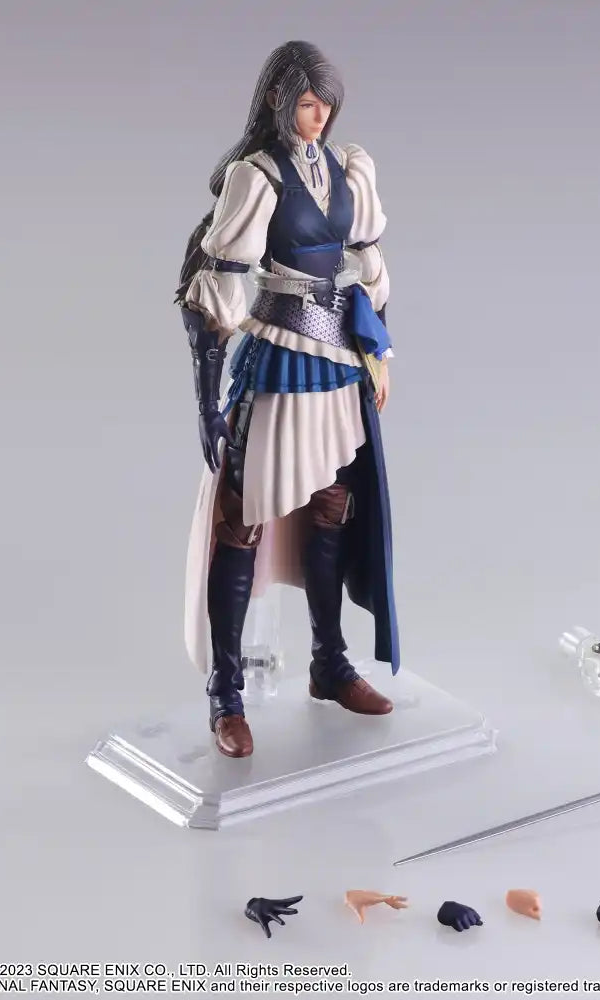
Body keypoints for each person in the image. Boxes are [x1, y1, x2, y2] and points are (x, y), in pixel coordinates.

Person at [174, 40, 399, 759]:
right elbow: (213, 287)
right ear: (279, 101)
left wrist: (378, 352)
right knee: (242, 519)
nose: (319, 116)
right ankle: (226, 692)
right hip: (277, 353)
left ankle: (329, 664)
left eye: (326, 104)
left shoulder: (348, 167)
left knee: (331, 507)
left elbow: (369, 267)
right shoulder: (258, 176)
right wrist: (207, 400)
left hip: (337, 363)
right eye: (306, 103)